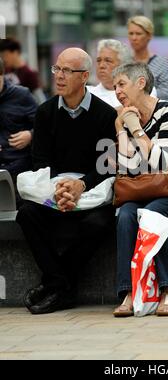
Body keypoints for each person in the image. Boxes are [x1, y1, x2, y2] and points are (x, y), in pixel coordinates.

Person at [16, 48, 117, 315]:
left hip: (92, 192)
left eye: (66, 71)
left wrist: (80, 186)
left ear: (84, 76)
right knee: (27, 215)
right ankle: (62, 286)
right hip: (54, 191)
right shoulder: (45, 112)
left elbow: (106, 167)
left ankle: (54, 285)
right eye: (56, 69)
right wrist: (59, 190)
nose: (59, 76)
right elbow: (40, 162)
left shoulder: (105, 115)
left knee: (100, 224)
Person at [112, 62, 168, 317]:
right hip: (148, 190)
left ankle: (167, 291)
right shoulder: (126, 117)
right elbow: (127, 166)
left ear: (140, 83)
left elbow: (163, 162)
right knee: (126, 215)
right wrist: (121, 130)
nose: (117, 92)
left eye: (121, 84)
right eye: (114, 87)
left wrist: (135, 128)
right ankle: (128, 292)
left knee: (152, 214)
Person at [0, 57, 37, 187]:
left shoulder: (22, 95)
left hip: (20, 170)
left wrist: (31, 135)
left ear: (2, 74)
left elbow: (46, 126)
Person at [127, 16, 168, 100]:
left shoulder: (162, 63)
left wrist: (137, 93)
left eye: (138, 34)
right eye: (131, 33)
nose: (134, 38)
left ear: (149, 36)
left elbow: (165, 94)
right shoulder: (123, 62)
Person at [0, 37, 46, 105]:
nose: (3, 59)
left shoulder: (29, 74)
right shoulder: (5, 70)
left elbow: (40, 99)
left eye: (5, 55)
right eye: (1, 56)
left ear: (15, 52)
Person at [87, 39, 132, 108]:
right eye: (98, 60)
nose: (101, 65)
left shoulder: (135, 94)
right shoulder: (86, 94)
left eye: (108, 61)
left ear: (123, 65)